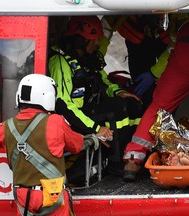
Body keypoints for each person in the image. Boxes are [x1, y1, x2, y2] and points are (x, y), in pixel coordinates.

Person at [0, 74, 96, 216]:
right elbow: (76, 145)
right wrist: (92, 138)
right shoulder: (56, 122)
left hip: (24, 196)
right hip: (52, 193)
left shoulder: (6, 126)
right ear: (49, 97)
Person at [48, 16, 144, 175]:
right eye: (94, 40)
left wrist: (120, 92)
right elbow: (63, 105)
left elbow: (104, 81)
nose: (98, 43)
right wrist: (97, 129)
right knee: (117, 108)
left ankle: (134, 158)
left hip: (87, 112)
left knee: (133, 104)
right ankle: (116, 165)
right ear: (80, 41)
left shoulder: (88, 59)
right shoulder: (60, 62)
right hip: (72, 119)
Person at [122, 13, 189, 182]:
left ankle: (133, 159)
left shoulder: (179, 11)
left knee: (158, 108)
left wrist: (153, 73)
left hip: (186, 49)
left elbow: (172, 45)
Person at [101, 14, 171, 108]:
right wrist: (96, 57)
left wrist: (154, 73)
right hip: (139, 47)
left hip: (165, 40)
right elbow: (106, 27)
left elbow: (177, 48)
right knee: (141, 95)